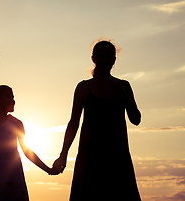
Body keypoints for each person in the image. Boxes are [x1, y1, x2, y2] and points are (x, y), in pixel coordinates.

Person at [52, 40, 142, 200]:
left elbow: (136, 119)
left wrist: (126, 97)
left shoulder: (123, 86)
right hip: (90, 157)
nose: (105, 60)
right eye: (101, 56)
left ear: (114, 60)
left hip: (117, 157)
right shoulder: (84, 87)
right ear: (94, 58)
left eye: (109, 57)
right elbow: (73, 123)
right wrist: (63, 154)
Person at [0, 85, 55, 201]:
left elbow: (27, 151)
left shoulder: (17, 123)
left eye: (13, 97)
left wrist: (48, 169)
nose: (13, 100)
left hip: (14, 178)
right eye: (9, 97)